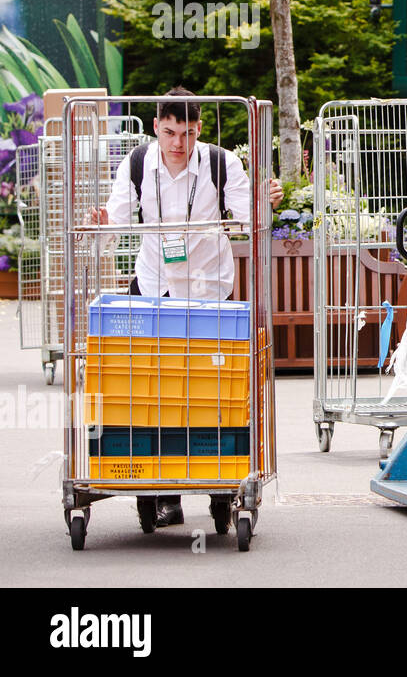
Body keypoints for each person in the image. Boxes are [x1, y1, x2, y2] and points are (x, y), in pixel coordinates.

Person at [90, 87, 283, 528]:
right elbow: (115, 226)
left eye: (189, 133)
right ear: (156, 126)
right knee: (156, 394)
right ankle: (164, 494)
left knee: (214, 395)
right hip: (155, 290)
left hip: (211, 291)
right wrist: (102, 226)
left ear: (198, 130)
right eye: (171, 132)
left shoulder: (219, 162)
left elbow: (247, 219)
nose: (179, 143)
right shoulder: (138, 163)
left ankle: (220, 490)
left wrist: (265, 203)